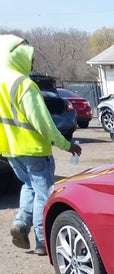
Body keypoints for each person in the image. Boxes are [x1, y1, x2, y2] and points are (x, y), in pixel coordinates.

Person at [1, 34, 82, 256]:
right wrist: (67, 145)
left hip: (10, 150)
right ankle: (41, 240)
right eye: (29, 58)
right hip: (34, 149)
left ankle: (20, 223)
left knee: (28, 187)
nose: (32, 62)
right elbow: (44, 124)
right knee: (43, 192)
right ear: (19, 56)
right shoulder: (23, 85)